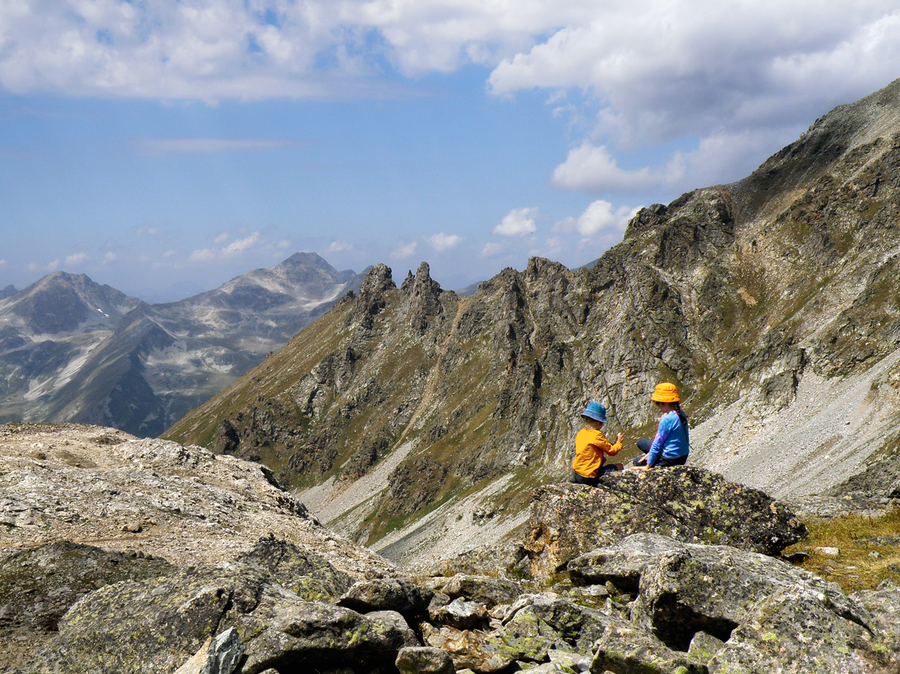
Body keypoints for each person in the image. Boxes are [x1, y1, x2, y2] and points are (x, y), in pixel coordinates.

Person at [632, 383, 690, 468]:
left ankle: (655, 460)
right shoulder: (681, 413)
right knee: (641, 442)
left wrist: (648, 465)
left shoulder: (666, 419)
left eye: (658, 404)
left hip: (670, 459)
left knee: (636, 461)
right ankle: (656, 456)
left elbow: (657, 443)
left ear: (665, 403)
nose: (658, 407)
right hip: (682, 456)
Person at [570, 401, 624, 486]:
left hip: (576, 472)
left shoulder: (581, 432)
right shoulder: (596, 435)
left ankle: (576, 479)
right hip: (588, 478)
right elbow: (612, 451)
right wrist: (618, 443)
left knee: (603, 459)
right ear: (599, 422)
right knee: (620, 466)